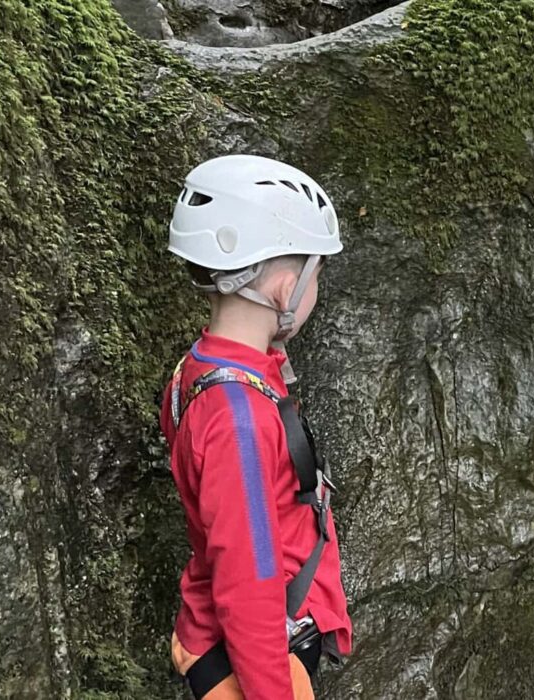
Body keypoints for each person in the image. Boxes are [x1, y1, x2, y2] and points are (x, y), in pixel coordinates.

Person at [160, 154, 353, 699]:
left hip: (248, 638)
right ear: (283, 289)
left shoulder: (200, 369)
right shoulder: (237, 419)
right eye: (317, 275)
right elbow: (248, 585)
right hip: (253, 657)